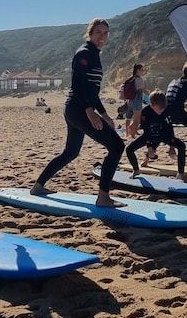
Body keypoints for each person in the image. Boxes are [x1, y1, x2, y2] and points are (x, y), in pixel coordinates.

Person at [30, 18, 124, 207]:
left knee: (71, 152)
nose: (102, 36)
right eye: (98, 32)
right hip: (78, 109)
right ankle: (103, 197)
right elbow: (77, 84)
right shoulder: (84, 53)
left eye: (106, 32)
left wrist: (104, 114)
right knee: (116, 147)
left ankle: (38, 186)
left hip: (76, 108)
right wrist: (89, 111)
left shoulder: (95, 54)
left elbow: (92, 91)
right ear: (90, 34)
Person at [126, 89, 187, 181]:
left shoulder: (166, 110)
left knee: (181, 145)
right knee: (129, 149)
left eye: (163, 108)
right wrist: (150, 147)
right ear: (151, 105)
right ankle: (136, 170)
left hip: (164, 134)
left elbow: (169, 128)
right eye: (160, 109)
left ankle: (180, 173)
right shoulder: (146, 112)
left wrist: (171, 146)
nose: (162, 111)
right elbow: (146, 131)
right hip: (150, 134)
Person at [125, 64, 148, 138]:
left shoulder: (131, 79)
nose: (143, 71)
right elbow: (142, 89)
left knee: (129, 117)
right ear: (137, 70)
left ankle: (128, 133)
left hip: (130, 100)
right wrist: (148, 93)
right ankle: (132, 135)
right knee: (137, 119)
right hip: (136, 100)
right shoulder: (139, 79)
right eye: (142, 70)